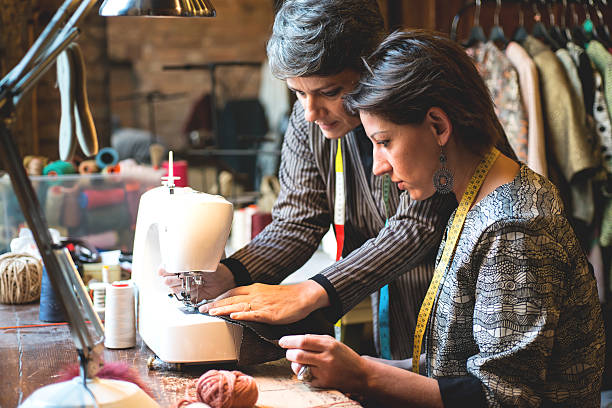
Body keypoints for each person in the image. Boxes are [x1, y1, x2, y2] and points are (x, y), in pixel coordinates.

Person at [161, 0, 512, 360]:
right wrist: (230, 274)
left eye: (329, 92)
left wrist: (311, 291)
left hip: (472, 308)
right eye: (298, 93)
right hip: (395, 316)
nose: (311, 112)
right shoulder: (309, 119)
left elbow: (416, 225)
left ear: (373, 66)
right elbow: (297, 221)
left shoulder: (419, 113)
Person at [278, 30, 605, 407]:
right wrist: (361, 366)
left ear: (438, 126)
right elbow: (461, 368)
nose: (378, 167)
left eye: (384, 142)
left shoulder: (513, 228)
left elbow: (502, 397)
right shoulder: (475, 197)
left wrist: (366, 375)